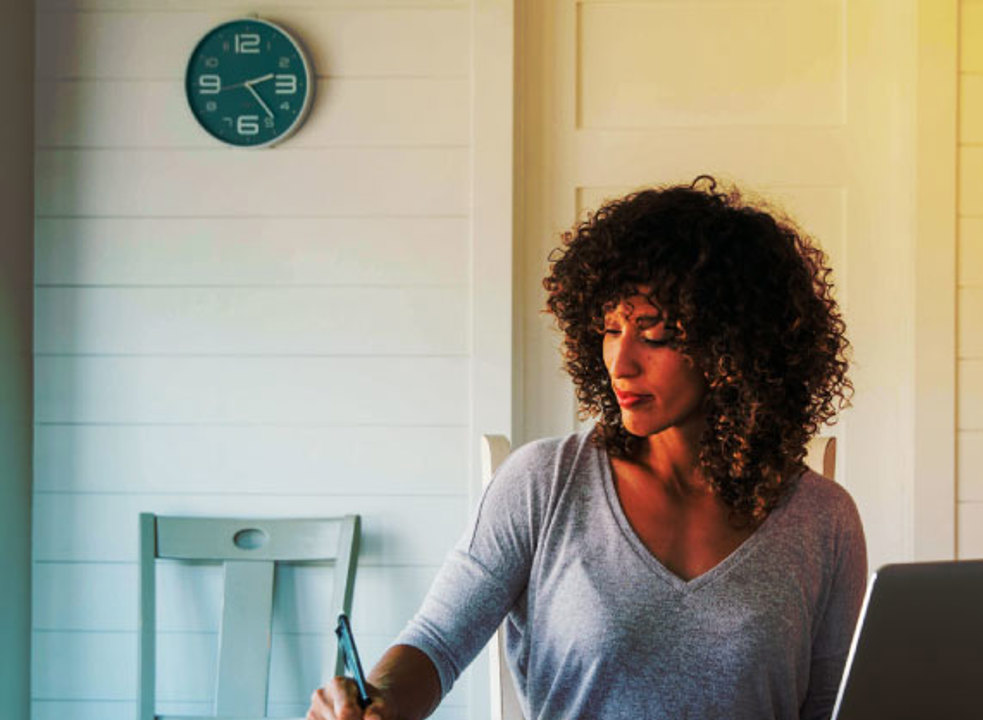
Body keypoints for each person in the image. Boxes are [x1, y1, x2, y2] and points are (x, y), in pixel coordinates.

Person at [308, 176, 866, 720]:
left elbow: (833, 708)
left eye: (654, 335)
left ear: (736, 347)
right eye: (610, 328)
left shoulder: (822, 519)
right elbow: (436, 643)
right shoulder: (545, 483)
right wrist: (373, 700)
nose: (621, 363)